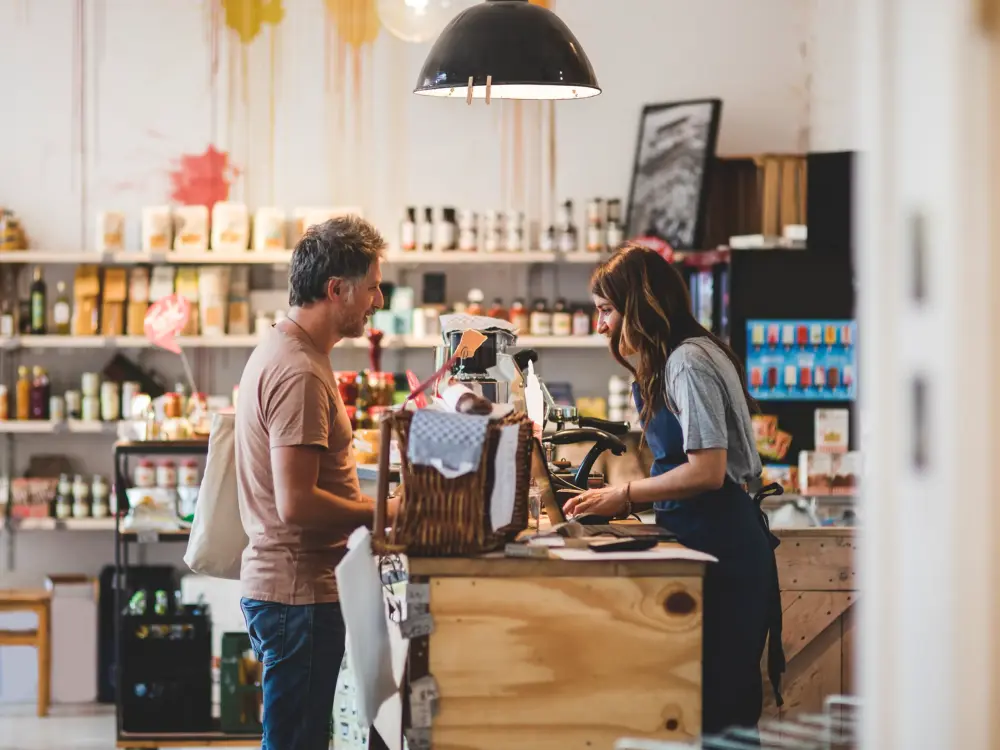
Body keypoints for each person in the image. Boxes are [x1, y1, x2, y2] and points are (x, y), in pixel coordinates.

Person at [564, 244, 784, 735]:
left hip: (723, 548)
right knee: (703, 708)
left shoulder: (687, 362)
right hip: (706, 540)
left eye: (606, 310)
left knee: (720, 713)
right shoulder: (684, 355)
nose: (600, 326)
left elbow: (707, 471)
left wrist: (624, 495)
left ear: (638, 305)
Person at [235, 216, 395, 749]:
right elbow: (297, 503)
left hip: (293, 592)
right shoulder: (299, 371)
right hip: (296, 594)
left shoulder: (292, 351)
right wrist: (384, 512)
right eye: (372, 287)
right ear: (336, 289)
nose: (377, 300)